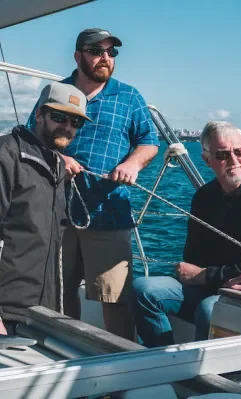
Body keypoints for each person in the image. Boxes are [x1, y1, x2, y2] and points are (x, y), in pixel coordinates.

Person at [26, 28, 159, 340]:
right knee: (60, 292)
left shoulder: (129, 97)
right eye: (97, 50)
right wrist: (59, 160)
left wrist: (132, 163)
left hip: (109, 212)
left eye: (111, 52)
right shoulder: (56, 92)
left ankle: (121, 370)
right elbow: (31, 137)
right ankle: (65, 356)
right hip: (56, 212)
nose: (105, 57)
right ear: (78, 56)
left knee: (114, 297)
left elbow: (149, 142)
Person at [132, 121, 241, 347]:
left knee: (211, 309)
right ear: (207, 160)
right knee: (143, 290)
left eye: (239, 152)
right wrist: (217, 280)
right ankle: (162, 362)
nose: (233, 160)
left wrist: (206, 276)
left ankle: (202, 378)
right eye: (223, 154)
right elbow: (193, 259)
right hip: (221, 286)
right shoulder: (204, 198)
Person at [0, 82, 91, 338]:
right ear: (39, 114)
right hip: (0, 314)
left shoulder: (56, 168)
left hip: (39, 313)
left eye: (76, 122)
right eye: (59, 117)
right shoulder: (2, 154)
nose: (67, 127)